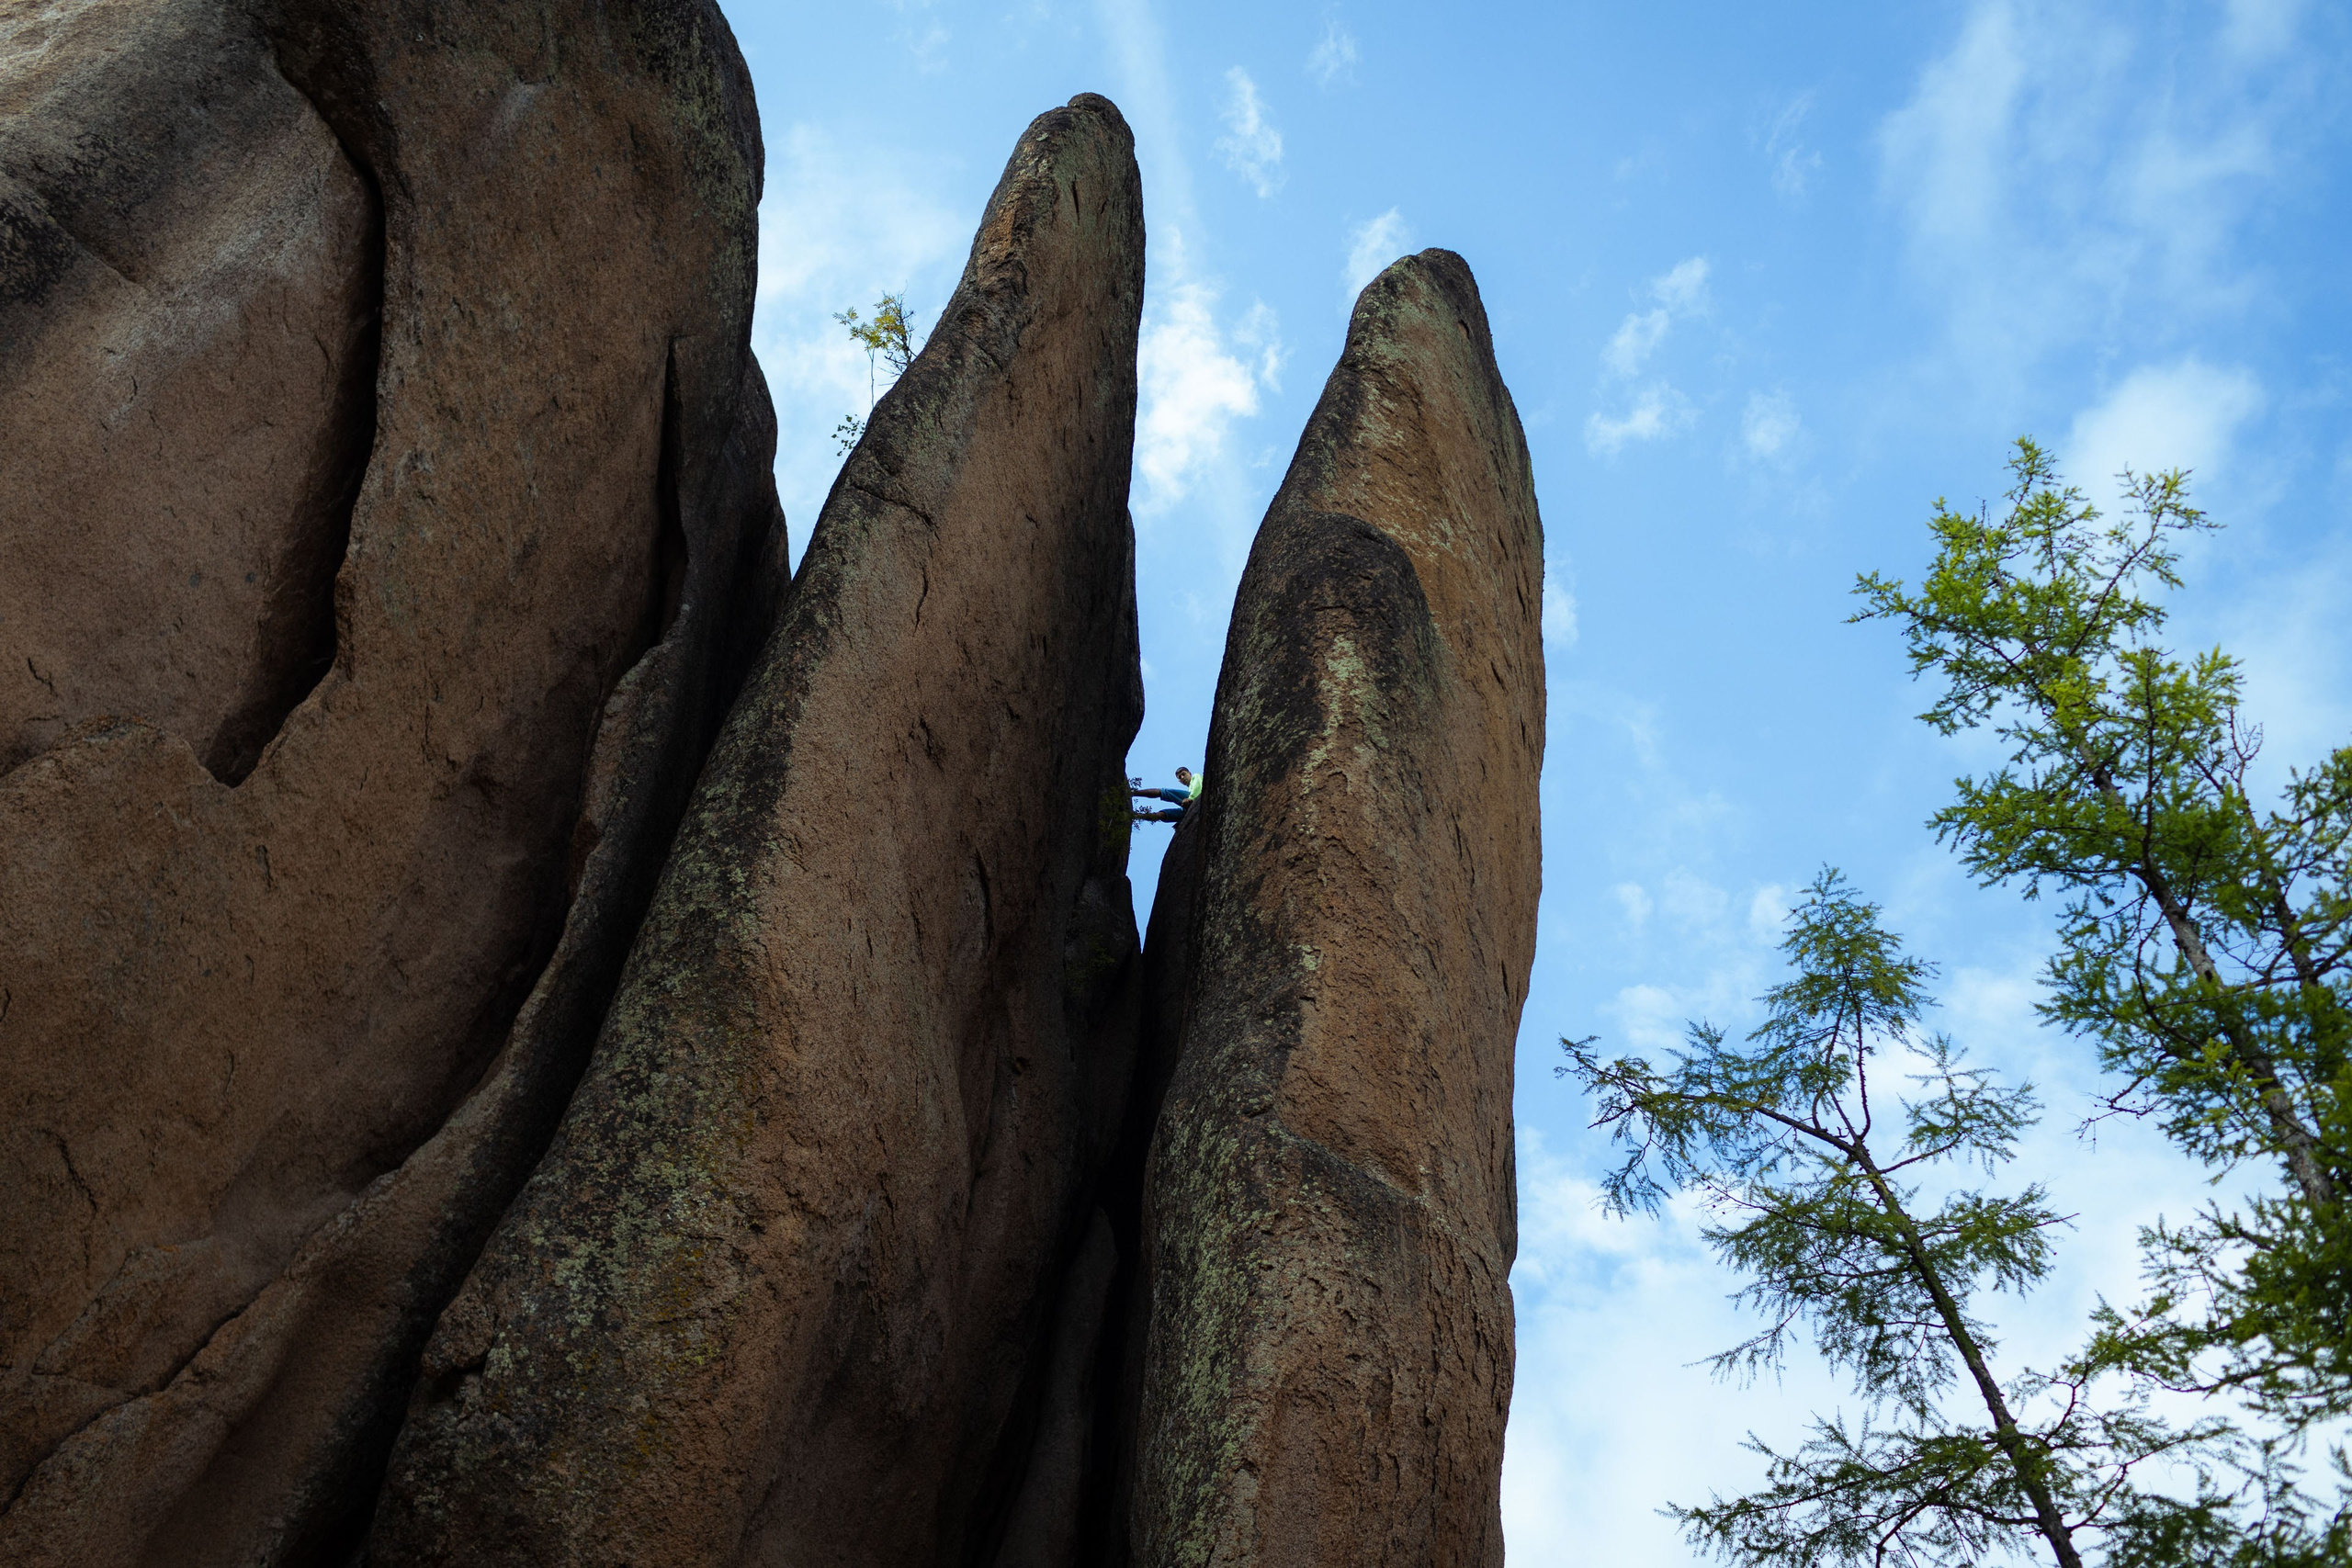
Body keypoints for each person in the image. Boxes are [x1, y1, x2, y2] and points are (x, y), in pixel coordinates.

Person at [1129, 765, 1202, 824]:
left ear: (1190, 773)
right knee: (1164, 814)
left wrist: (1191, 798)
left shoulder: (1196, 776)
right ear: (1179, 781)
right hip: (1189, 807)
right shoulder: (1189, 789)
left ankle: (1132, 793)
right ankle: (1135, 816)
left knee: (1166, 792)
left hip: (1195, 800)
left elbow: (1197, 787)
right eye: (1180, 777)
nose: (1182, 777)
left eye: (1184, 774)